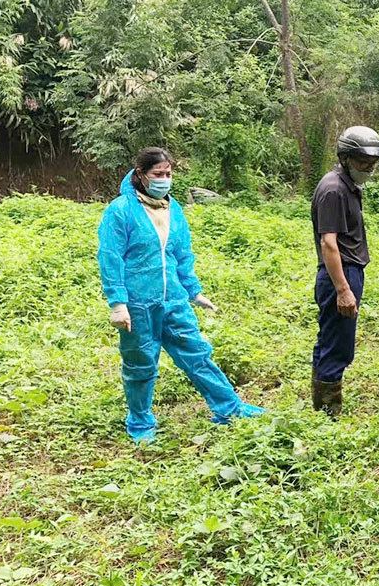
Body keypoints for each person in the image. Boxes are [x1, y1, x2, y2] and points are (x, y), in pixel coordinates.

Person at [98, 147, 264, 445]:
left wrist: (193, 291)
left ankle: (229, 408)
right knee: (140, 364)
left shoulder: (173, 209)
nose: (164, 180)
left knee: (197, 354)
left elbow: (181, 254)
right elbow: (111, 258)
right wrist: (118, 303)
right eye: (157, 174)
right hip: (137, 304)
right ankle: (140, 421)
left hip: (173, 300)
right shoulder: (120, 210)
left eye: (168, 174)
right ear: (140, 175)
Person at [310, 126, 379, 416]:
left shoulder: (347, 185)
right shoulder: (334, 190)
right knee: (337, 345)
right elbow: (329, 244)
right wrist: (343, 289)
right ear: (345, 158)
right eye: (364, 163)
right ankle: (329, 413)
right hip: (339, 274)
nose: (370, 169)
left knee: (331, 339)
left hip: (347, 271)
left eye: (373, 163)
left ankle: (322, 406)